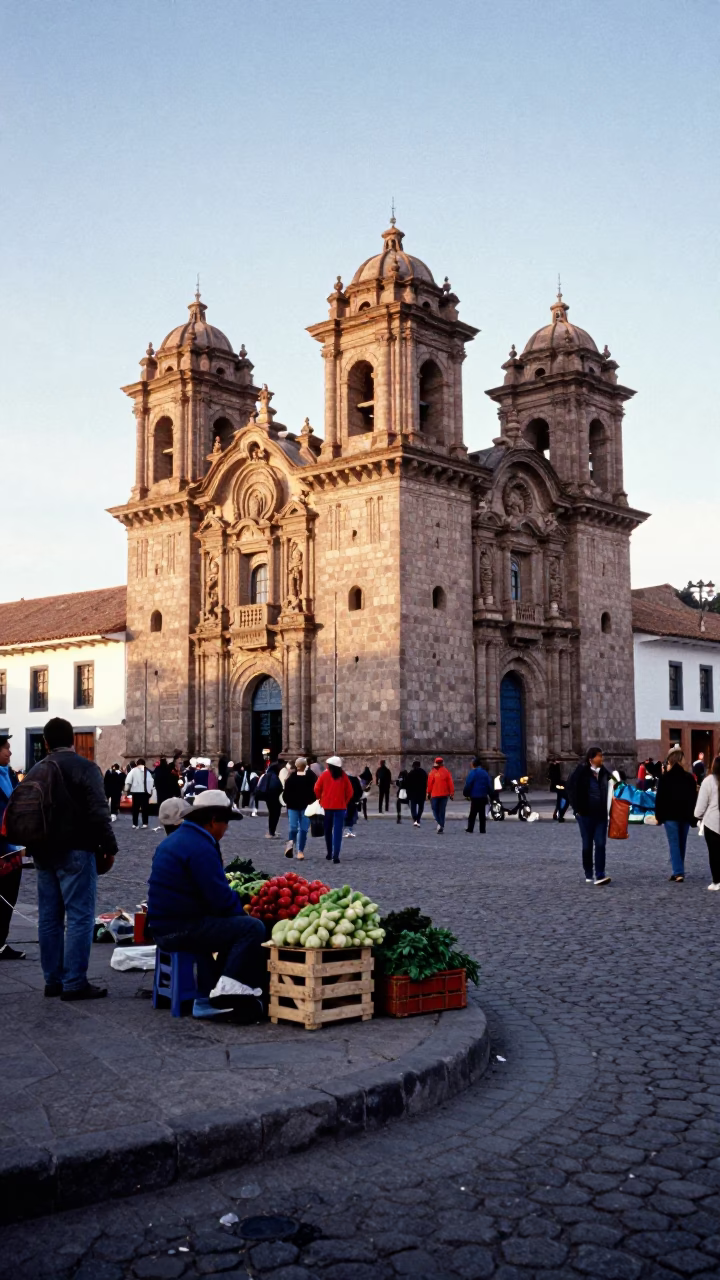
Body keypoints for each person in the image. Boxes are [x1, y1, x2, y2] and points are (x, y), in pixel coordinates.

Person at [147, 790, 265, 1021]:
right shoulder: (200, 847)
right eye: (226, 823)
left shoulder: (177, 839)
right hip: (180, 928)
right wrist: (243, 915)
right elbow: (220, 898)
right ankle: (225, 995)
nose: (226, 829)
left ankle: (213, 988)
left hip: (163, 924)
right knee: (252, 928)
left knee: (232, 928)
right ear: (212, 821)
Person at [24, 717, 117, 998]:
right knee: (79, 916)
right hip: (76, 848)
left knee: (49, 918)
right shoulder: (86, 768)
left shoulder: (35, 770)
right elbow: (99, 811)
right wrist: (109, 846)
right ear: (73, 740)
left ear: (46, 742)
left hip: (43, 850)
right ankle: (75, 982)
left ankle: (53, 980)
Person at [566, 747, 613, 886]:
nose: (602, 759)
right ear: (591, 758)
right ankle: (588, 872)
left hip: (601, 815)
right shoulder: (581, 772)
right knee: (587, 845)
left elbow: (616, 784)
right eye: (599, 756)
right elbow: (570, 788)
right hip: (585, 815)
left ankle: (600, 874)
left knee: (600, 844)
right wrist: (577, 809)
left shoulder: (605, 772)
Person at [654, 748, 698, 882]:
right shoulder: (689, 778)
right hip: (685, 815)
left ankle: (678, 871)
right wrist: (694, 817)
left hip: (670, 816)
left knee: (674, 843)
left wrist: (659, 816)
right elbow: (693, 799)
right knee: (681, 843)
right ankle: (678, 870)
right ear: (679, 760)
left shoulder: (665, 778)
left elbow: (660, 799)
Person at [0, 735, 24, 960]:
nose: (9, 752)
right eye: (5, 748)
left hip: (12, 848)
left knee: (9, 896)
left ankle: (1, 942)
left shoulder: (9, 775)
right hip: (1, 846)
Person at [314, 756, 354, 864]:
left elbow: (316, 788)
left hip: (327, 807)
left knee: (327, 830)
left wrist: (320, 798)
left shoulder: (325, 775)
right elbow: (350, 792)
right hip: (340, 807)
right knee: (337, 831)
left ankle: (329, 853)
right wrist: (344, 801)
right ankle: (336, 855)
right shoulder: (343, 776)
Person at [694, 755, 720, 890]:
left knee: (714, 853)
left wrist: (697, 816)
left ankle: (717, 881)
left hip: (713, 823)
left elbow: (699, 809)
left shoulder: (708, 781)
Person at [282, 758, 316, 859]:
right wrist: (288, 801)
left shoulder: (311, 776)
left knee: (303, 829)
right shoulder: (291, 777)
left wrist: (312, 801)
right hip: (293, 806)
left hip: (306, 806)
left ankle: (300, 850)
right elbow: (286, 792)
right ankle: (290, 845)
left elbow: (316, 790)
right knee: (293, 828)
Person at [463, 758, 492, 834]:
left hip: (475, 795)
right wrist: (490, 792)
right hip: (483, 795)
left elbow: (469, 783)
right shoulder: (485, 773)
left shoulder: (473, 772)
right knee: (482, 814)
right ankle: (482, 829)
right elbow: (489, 784)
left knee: (473, 813)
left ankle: (470, 828)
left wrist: (466, 792)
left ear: (473, 764)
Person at [427, 757, 454, 834]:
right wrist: (451, 793)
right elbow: (450, 783)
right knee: (442, 811)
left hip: (435, 795)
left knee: (435, 809)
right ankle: (441, 824)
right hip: (444, 795)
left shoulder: (432, 772)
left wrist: (428, 793)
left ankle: (440, 823)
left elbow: (429, 784)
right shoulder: (446, 772)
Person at [124, 757, 154, 829]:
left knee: (135, 808)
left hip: (136, 792)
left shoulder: (133, 770)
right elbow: (150, 781)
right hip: (145, 792)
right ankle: (145, 823)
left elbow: (128, 780)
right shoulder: (147, 771)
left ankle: (135, 823)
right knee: (145, 808)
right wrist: (150, 792)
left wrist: (126, 789)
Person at [257, 759, 283, 838]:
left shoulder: (266, 775)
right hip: (274, 798)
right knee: (275, 815)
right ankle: (272, 832)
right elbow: (276, 787)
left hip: (268, 798)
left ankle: (272, 831)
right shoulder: (274, 777)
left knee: (272, 815)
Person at [405, 760, 428, 826]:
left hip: (413, 794)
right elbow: (426, 783)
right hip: (421, 793)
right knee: (421, 807)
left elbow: (407, 784)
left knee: (413, 808)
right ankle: (418, 818)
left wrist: (408, 794)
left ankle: (415, 819)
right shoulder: (423, 773)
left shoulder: (411, 773)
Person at [548, 757, 568, 821]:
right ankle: (558, 814)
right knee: (560, 799)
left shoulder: (557, 766)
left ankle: (557, 814)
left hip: (558, 784)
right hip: (556, 785)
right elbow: (552, 776)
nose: (559, 762)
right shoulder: (552, 766)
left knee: (559, 799)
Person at [344, 771, 364, 838]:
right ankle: (349, 831)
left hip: (343, 801)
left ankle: (342, 830)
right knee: (351, 817)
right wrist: (357, 799)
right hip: (353, 801)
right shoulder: (355, 780)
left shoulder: (342, 780)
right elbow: (360, 791)